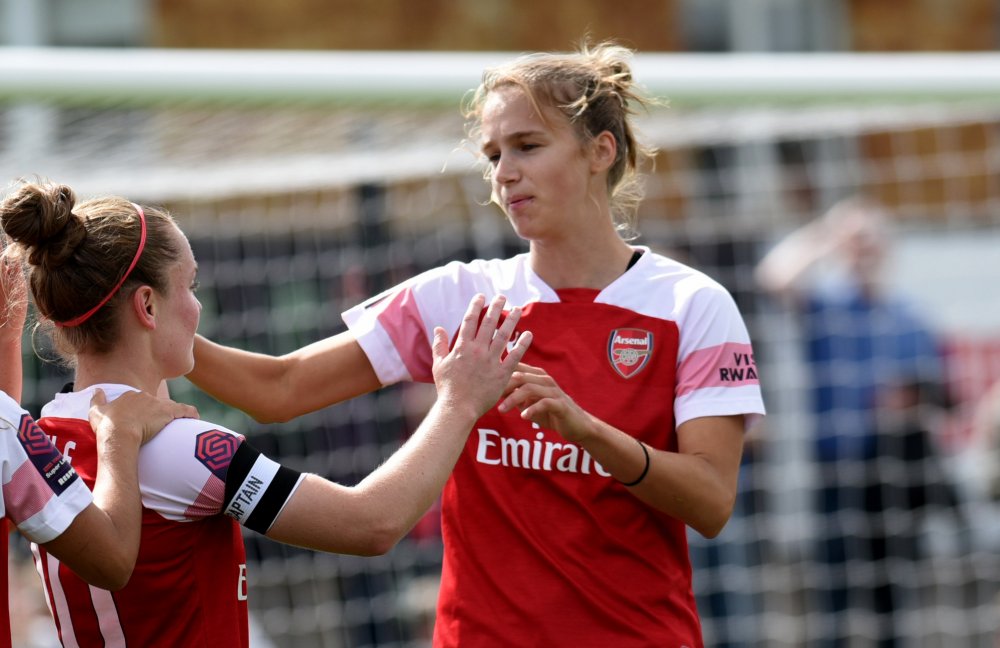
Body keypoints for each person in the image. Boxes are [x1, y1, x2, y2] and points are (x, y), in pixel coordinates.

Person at [188, 41, 766, 647]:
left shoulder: (692, 305)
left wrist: (587, 431)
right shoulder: (461, 296)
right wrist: (153, 329)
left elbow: (710, 501)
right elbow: (278, 389)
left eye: (527, 146)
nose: (504, 173)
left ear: (601, 150)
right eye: (493, 154)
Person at [0, 181, 531, 648]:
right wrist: (459, 400)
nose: (198, 307)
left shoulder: (39, 433)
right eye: (191, 285)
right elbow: (372, 524)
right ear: (147, 306)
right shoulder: (184, 450)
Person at [755, 196, 949, 648]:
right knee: (834, 589)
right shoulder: (825, 306)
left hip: (895, 473)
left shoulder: (909, 316)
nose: (863, 248)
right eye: (854, 240)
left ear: (887, 247)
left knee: (892, 594)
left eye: (870, 239)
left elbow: (940, 394)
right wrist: (828, 234)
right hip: (838, 465)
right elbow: (773, 277)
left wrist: (909, 401)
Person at [1, 238, 198, 648]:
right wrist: (117, 437)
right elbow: (111, 561)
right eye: (191, 286)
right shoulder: (7, 431)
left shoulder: (12, 429)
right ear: (145, 304)